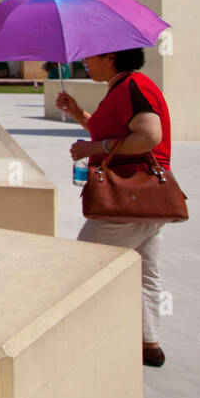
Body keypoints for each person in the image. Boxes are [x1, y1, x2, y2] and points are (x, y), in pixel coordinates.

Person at [56, 48, 171, 367]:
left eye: (90, 56)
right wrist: (78, 112)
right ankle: (149, 344)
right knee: (146, 271)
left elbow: (149, 134)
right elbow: (114, 135)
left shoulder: (136, 86)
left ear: (111, 57)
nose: (84, 61)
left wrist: (92, 148)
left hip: (128, 195)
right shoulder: (122, 87)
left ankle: (79, 340)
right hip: (146, 197)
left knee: (85, 264)